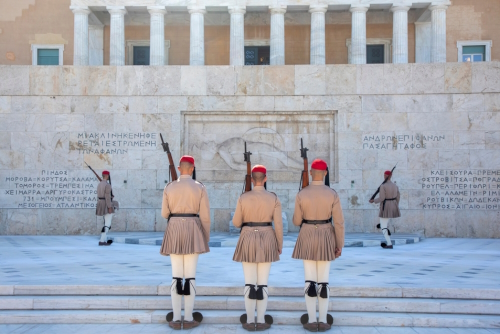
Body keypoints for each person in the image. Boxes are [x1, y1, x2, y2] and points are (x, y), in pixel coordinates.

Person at [292, 159, 345, 332]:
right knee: (323, 281)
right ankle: (323, 320)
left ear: (310, 173)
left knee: (309, 280)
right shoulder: (332, 194)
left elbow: (296, 221)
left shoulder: (302, 193)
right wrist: (339, 244)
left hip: (307, 233)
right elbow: (339, 222)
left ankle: (311, 319)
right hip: (326, 234)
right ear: (325, 174)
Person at [160, 155, 211, 330]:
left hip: (174, 227)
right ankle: (188, 318)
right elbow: (205, 216)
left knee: (176, 275)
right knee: (190, 276)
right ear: (193, 168)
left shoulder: (169, 187)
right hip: (193, 228)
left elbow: (164, 214)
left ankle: (175, 318)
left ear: (180, 168)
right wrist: (205, 236)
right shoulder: (200, 187)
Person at [232, 165, 283, 332]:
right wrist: (279, 245)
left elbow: (236, 223)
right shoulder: (273, 198)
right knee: (262, 283)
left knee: (249, 282)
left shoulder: (243, 197)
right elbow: (279, 224)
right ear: (265, 179)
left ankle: (249, 319)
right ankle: (261, 320)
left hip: (247, 237)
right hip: (268, 237)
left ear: (252, 180)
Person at [369, 170, 400, 249]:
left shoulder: (383, 186)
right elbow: (398, 197)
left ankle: (389, 243)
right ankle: (386, 231)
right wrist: (395, 205)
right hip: (393, 205)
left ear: (385, 176)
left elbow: (382, 198)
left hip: (386, 206)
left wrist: (373, 201)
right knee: (384, 223)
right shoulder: (395, 186)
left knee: (383, 226)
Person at [96, 170, 118, 246]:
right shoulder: (107, 185)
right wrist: (109, 207)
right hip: (106, 204)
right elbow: (107, 197)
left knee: (106, 223)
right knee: (107, 224)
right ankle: (102, 240)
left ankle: (103, 239)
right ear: (107, 176)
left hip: (100, 203)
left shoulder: (99, 184)